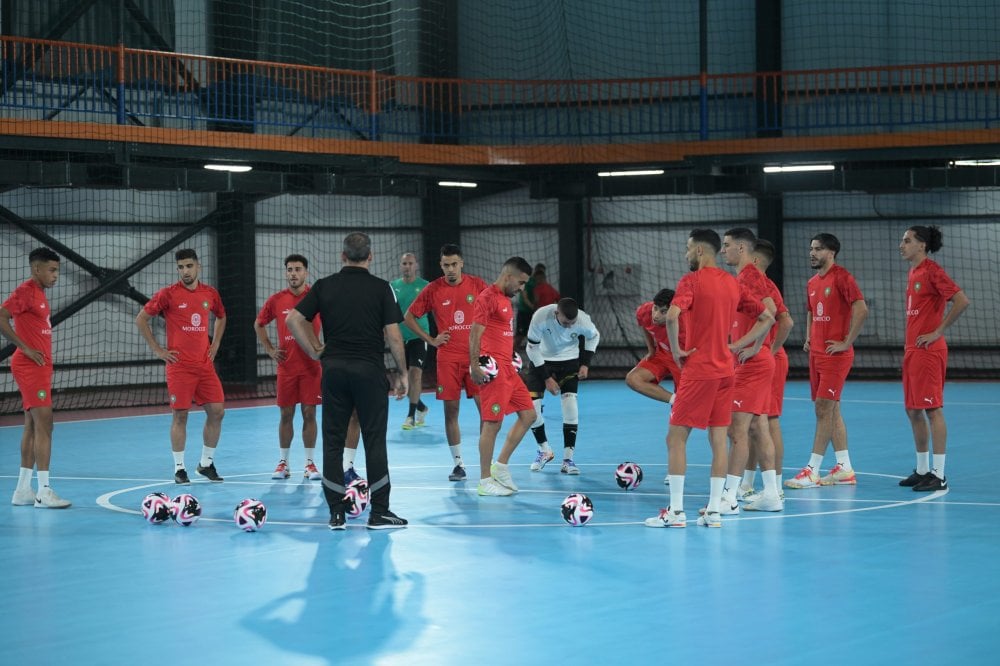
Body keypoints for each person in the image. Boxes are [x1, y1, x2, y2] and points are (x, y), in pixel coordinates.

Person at [286, 232, 408, 530]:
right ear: (371, 256)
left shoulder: (324, 286)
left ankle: (336, 513)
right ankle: (379, 512)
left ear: (342, 256)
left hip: (334, 372)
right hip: (369, 373)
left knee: (333, 441)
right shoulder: (383, 289)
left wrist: (315, 349)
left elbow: (293, 320)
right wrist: (402, 373)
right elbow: (393, 335)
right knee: (374, 440)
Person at [645, 229, 739, 528]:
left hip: (699, 371)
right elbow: (766, 315)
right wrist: (737, 346)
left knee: (675, 438)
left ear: (699, 251)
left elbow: (671, 316)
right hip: (726, 370)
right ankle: (713, 512)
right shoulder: (731, 283)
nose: (685, 255)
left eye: (687, 249)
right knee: (719, 440)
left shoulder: (691, 281)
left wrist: (676, 351)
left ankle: (675, 513)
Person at [136, 248, 226, 485]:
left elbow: (221, 316)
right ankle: (179, 469)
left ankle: (206, 464)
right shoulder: (168, 294)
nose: (185, 271)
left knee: (217, 412)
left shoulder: (210, 293)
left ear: (198, 266)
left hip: (205, 366)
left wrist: (215, 343)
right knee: (180, 416)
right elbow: (141, 318)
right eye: (181, 267)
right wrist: (158, 350)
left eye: (189, 266)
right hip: (180, 367)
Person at [785, 233, 868, 489]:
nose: (812, 253)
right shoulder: (812, 282)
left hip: (836, 355)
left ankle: (812, 470)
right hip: (817, 354)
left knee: (822, 409)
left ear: (831, 252)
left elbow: (861, 308)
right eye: (811, 248)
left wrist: (846, 341)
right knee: (831, 410)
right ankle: (844, 468)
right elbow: (811, 310)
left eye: (818, 249)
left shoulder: (843, 277)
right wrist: (809, 336)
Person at [404, 243, 489, 482]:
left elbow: (493, 312)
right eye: (445, 265)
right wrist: (431, 339)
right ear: (441, 265)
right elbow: (409, 317)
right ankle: (459, 464)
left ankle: (486, 461)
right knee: (451, 412)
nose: (450, 269)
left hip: (475, 359)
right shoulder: (433, 289)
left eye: (454, 264)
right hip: (448, 360)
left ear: (461, 263)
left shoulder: (477, 285)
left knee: (486, 411)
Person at [898, 225, 969, 491]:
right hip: (913, 350)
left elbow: (962, 300)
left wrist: (937, 331)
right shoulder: (913, 271)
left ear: (922, 245)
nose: (901, 245)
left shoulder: (933, 271)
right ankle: (923, 469)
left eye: (907, 241)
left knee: (932, 409)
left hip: (929, 351)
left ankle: (939, 476)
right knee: (912, 409)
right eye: (902, 241)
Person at [1, 247, 71, 508]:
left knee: (32, 426)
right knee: (46, 424)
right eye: (51, 270)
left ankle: (22, 490)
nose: (55, 275)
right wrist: (24, 347)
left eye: (57, 271)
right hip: (30, 366)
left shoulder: (39, 294)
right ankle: (43, 491)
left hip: (39, 368)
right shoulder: (26, 291)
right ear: (36, 269)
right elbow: (1, 316)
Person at [717, 228, 780, 514]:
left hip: (752, 364)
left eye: (727, 245)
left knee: (737, 431)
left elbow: (769, 315)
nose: (723, 250)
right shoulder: (746, 277)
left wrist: (746, 346)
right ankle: (771, 493)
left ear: (742, 249)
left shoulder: (750, 276)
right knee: (757, 427)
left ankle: (728, 496)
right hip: (755, 361)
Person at [469, 256, 536, 496]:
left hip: (509, 369)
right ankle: (485, 481)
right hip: (494, 371)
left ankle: (501, 466)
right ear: (508, 276)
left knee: (529, 415)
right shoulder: (487, 298)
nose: (522, 288)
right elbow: (475, 333)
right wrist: (474, 365)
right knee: (492, 424)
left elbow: (501, 334)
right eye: (520, 282)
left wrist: (512, 354)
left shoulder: (505, 300)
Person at [254, 254, 323, 481]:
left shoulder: (317, 297)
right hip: (287, 369)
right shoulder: (276, 300)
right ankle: (283, 463)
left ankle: (310, 464)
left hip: (312, 368)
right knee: (286, 414)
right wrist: (270, 349)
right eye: (290, 270)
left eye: (298, 269)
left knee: (309, 413)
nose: (293, 273)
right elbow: (259, 324)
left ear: (306, 273)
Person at [739, 240, 794, 501]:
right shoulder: (765, 283)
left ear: (755, 259)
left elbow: (783, 320)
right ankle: (748, 483)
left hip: (766, 358)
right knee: (755, 422)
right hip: (769, 356)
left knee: (767, 422)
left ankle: (776, 488)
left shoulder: (752, 276)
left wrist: (768, 349)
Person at [523, 297, 601, 474]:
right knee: (531, 410)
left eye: (572, 323)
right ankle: (544, 451)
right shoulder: (541, 317)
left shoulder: (582, 320)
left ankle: (568, 460)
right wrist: (546, 378)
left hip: (569, 362)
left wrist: (585, 363)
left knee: (570, 405)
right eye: (565, 322)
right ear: (556, 313)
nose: (569, 327)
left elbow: (594, 336)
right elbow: (531, 348)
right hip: (541, 361)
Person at [626, 288, 683, 485]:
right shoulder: (645, 311)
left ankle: (673, 470)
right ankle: (675, 400)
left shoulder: (684, 324)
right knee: (632, 379)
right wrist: (651, 349)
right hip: (661, 356)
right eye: (655, 309)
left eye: (663, 311)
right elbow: (643, 323)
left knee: (676, 428)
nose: (656, 315)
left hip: (682, 362)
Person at [391, 252, 431, 430]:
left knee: (415, 373)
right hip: (400, 339)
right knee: (403, 378)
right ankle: (421, 407)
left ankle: (411, 416)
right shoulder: (393, 287)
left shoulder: (425, 286)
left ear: (416, 265)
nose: (407, 267)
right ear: (400, 266)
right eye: (404, 263)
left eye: (410, 263)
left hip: (419, 336)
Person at [514, 263, 560, 350]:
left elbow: (556, 298)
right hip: (525, 312)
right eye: (538, 274)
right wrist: (535, 308)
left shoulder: (543, 286)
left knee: (538, 335)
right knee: (521, 335)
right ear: (535, 273)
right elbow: (525, 297)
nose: (539, 277)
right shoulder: (529, 282)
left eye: (542, 273)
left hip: (535, 313)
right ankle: (511, 354)